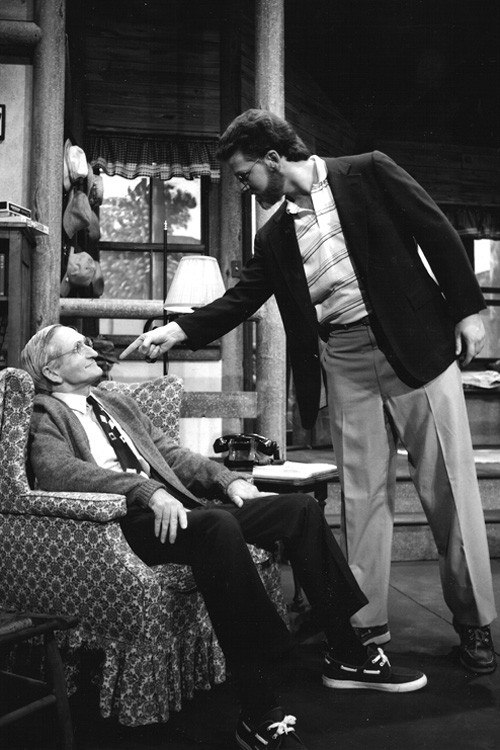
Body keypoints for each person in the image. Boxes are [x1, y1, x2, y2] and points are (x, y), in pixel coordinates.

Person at [122, 108, 497, 676]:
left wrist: (468, 310)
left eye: (246, 175)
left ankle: (474, 622)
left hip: (416, 346)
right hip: (345, 358)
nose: (245, 188)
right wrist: (177, 331)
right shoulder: (274, 235)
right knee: (361, 498)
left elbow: (436, 230)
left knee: (447, 487)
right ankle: (364, 628)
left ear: (274, 158)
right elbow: (242, 298)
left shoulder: (367, 171)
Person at [21, 325, 426, 750]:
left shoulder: (114, 402)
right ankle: (258, 710)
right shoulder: (46, 412)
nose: (91, 350)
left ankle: (346, 652)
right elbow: (58, 471)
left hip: (177, 509)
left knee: (299, 509)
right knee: (217, 526)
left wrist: (227, 479)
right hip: (124, 522)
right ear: (52, 370)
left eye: (88, 343)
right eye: (78, 347)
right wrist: (145, 490)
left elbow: (171, 455)